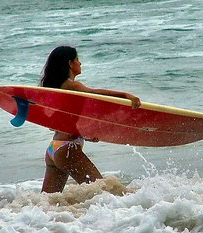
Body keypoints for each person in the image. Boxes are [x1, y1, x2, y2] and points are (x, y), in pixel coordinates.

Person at [40, 46, 141, 193]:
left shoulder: (58, 89)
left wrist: (84, 134)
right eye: (77, 59)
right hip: (68, 149)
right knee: (105, 193)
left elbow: (63, 122)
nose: (80, 63)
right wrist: (124, 95)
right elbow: (96, 94)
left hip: (54, 149)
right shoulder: (71, 85)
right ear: (70, 63)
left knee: (47, 203)